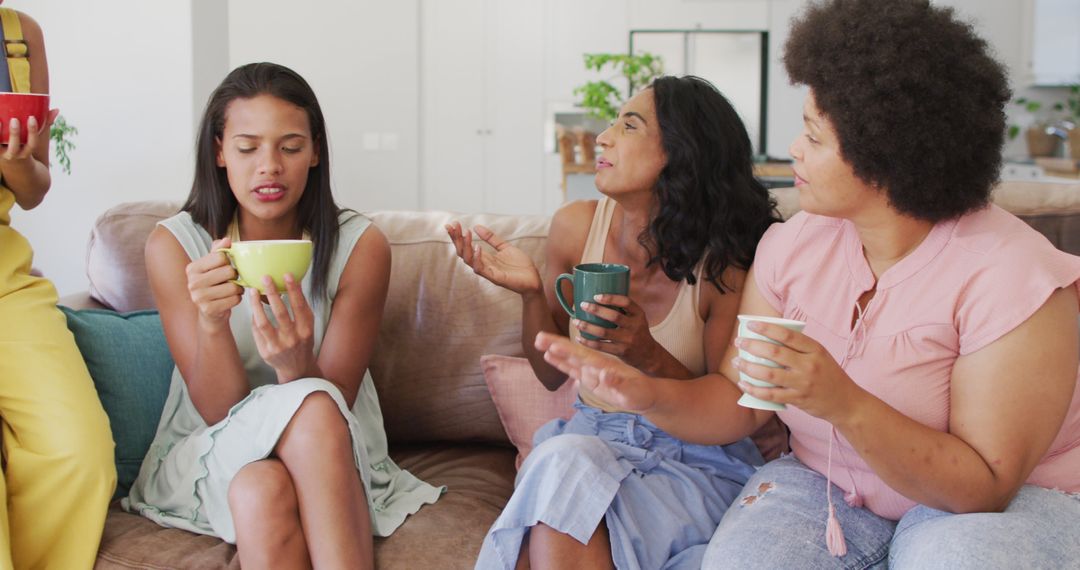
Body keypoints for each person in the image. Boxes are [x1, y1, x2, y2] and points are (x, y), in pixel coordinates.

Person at [538, 0, 1080, 567]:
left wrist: (844, 402)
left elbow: (984, 485)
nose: (794, 149)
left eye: (814, 137)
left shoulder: (1013, 274)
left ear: (885, 158)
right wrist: (643, 393)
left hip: (992, 505)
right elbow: (739, 405)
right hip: (824, 485)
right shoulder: (794, 246)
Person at [449, 75, 781, 569]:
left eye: (628, 125)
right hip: (591, 438)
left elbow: (724, 415)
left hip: (690, 458)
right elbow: (552, 375)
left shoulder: (723, 265)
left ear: (681, 151)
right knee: (563, 467)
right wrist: (531, 295)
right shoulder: (576, 226)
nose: (602, 137)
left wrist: (643, 352)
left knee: (552, 508)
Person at [122, 62, 442, 569]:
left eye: (290, 147)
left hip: (327, 449)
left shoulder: (359, 246)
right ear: (220, 152)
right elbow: (218, 411)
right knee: (288, 432)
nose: (269, 166)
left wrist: (296, 365)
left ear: (315, 152)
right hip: (214, 445)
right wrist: (212, 323)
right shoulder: (177, 245)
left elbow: (335, 408)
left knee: (263, 482)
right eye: (248, 148)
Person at [0, 4, 117, 569]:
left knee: (80, 452)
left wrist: (18, 158)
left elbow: (33, 187)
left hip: (5, 279)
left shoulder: (21, 34)